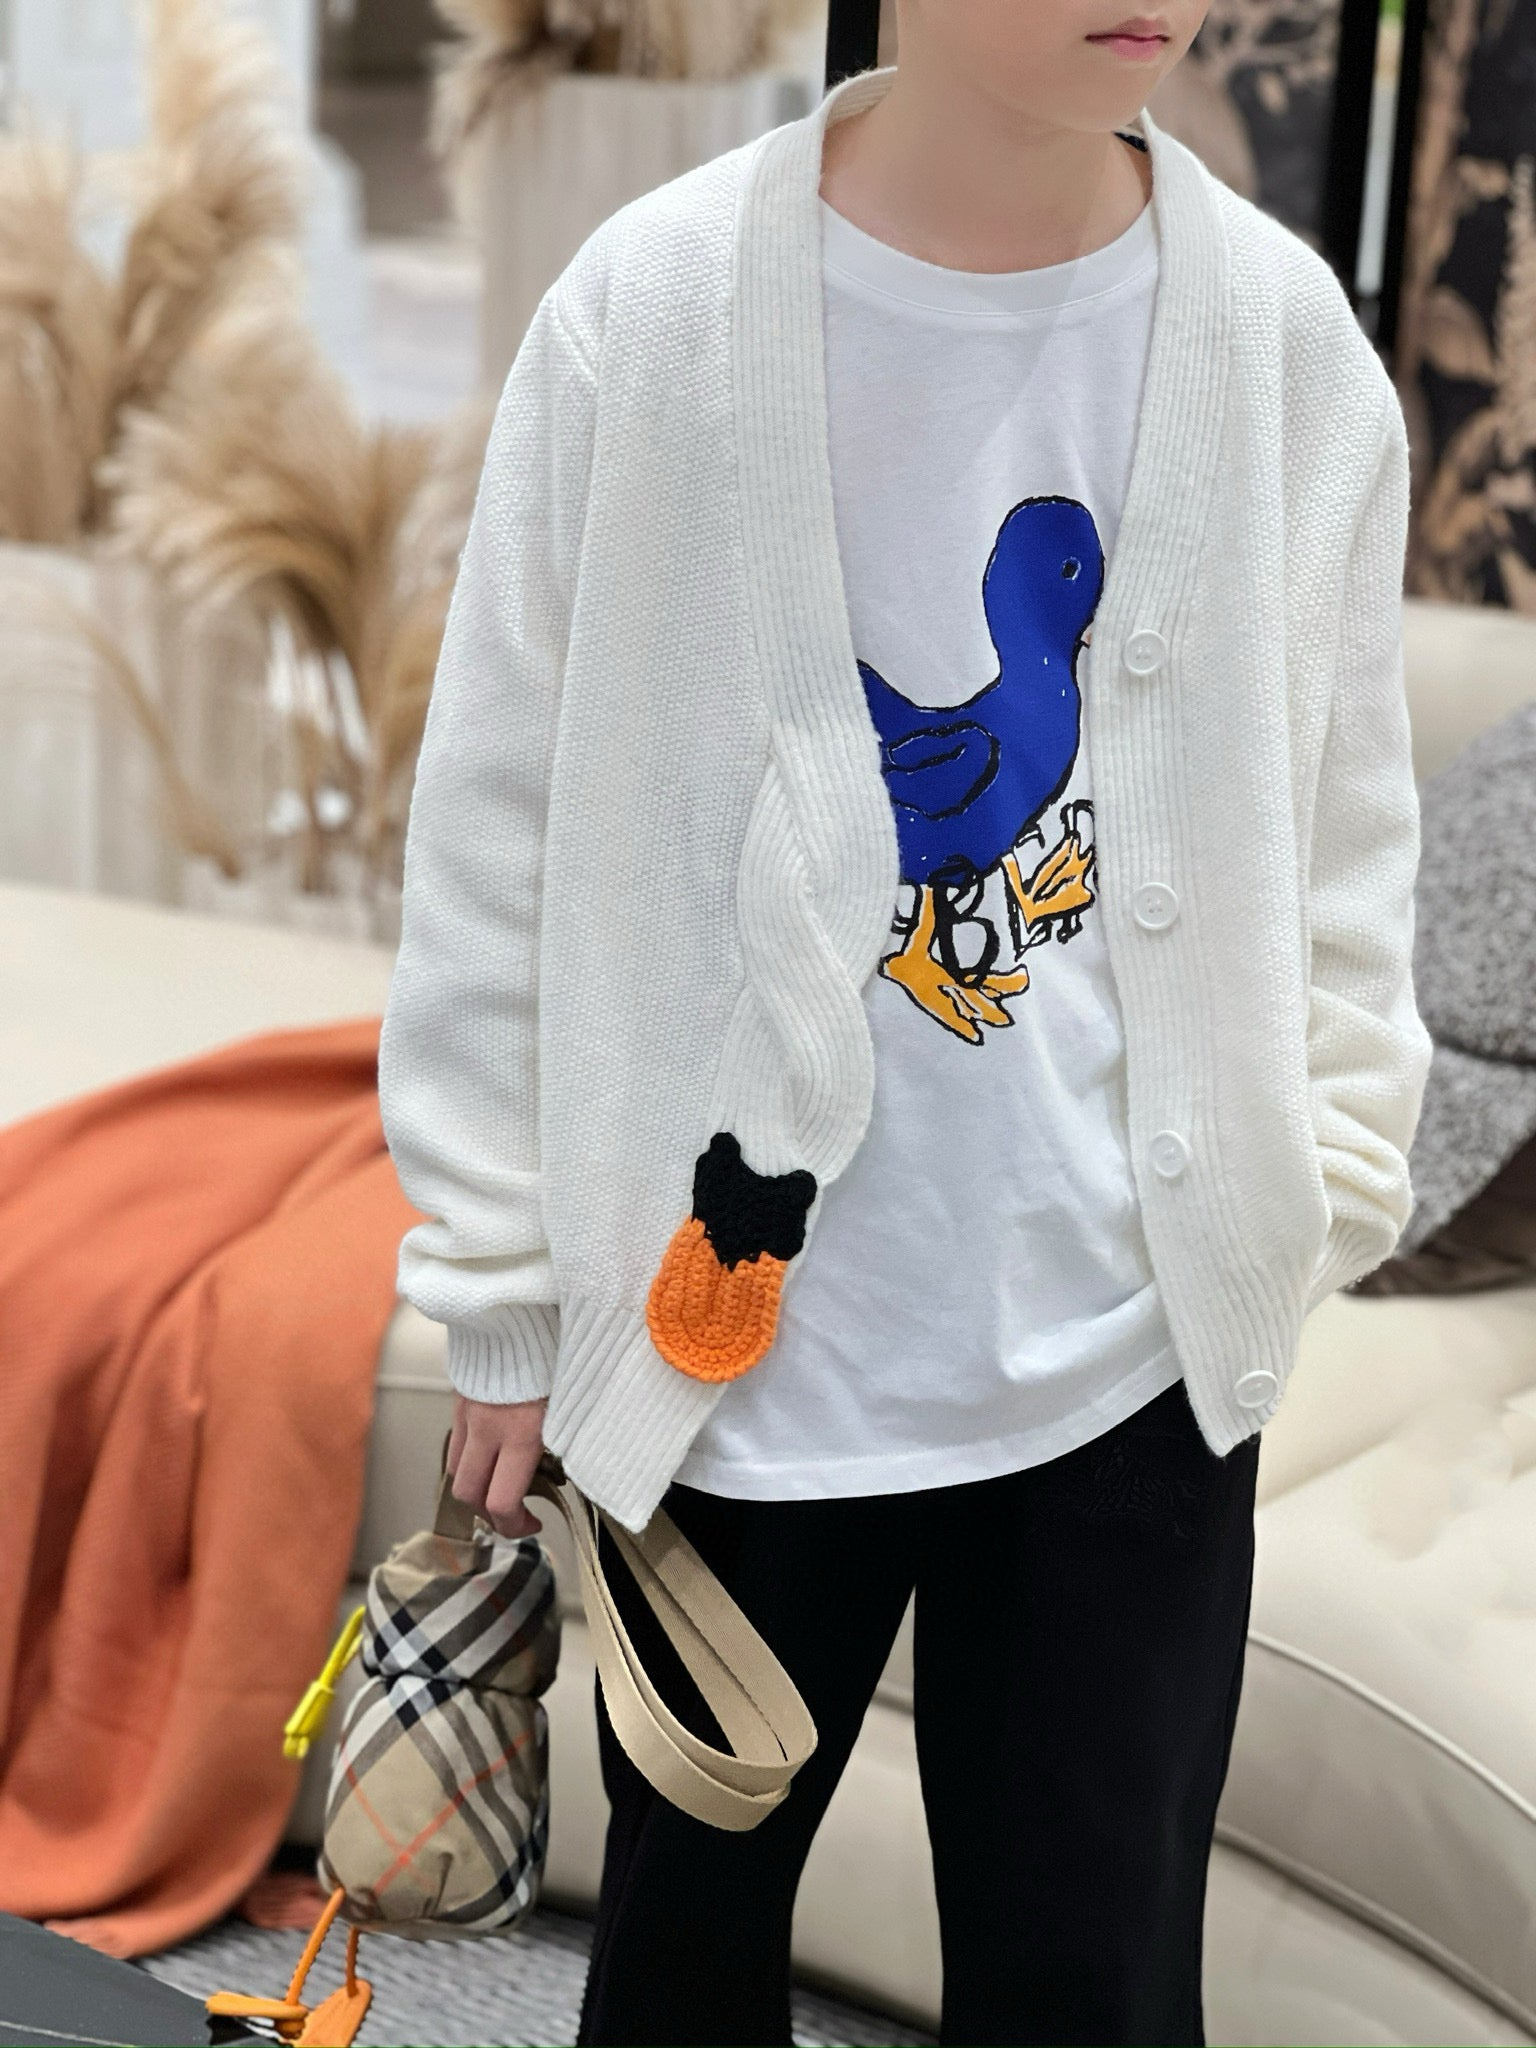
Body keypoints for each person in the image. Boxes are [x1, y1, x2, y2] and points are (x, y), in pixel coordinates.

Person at [377, 4, 1432, 2041]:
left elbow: (1346, 820)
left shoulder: (1285, 348)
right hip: (737, 1355)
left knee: (1098, 1984)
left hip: (1129, 1360)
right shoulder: (652, 315)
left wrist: (1324, 1179)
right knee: (677, 1974)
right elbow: (497, 826)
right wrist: (499, 1286)